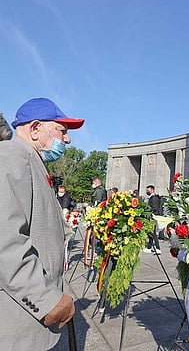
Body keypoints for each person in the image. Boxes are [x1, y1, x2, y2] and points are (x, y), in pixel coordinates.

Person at [0, 97, 84, 350]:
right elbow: (6, 241)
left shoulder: (32, 161)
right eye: (61, 131)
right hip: (18, 320)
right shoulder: (12, 156)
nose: (67, 140)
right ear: (35, 128)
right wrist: (46, 301)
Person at [144, 185, 162, 253]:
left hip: (153, 216)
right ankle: (149, 248)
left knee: (152, 233)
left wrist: (147, 209)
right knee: (151, 232)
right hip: (152, 216)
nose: (147, 191)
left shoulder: (154, 198)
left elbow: (155, 208)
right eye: (146, 190)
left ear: (152, 190)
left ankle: (158, 248)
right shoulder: (151, 197)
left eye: (148, 190)